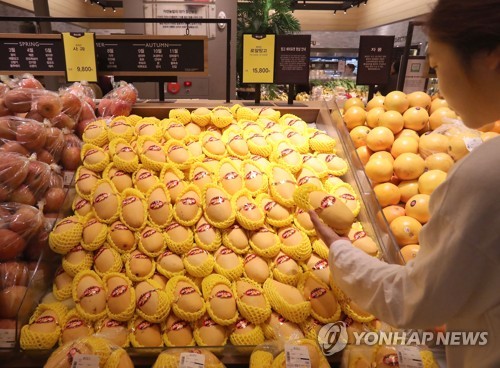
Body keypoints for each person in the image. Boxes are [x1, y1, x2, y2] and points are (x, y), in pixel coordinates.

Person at [309, 0, 500, 367]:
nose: (438, 85)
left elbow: (417, 298)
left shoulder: (487, 175)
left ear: (491, 55)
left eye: (437, 66)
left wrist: (340, 249)